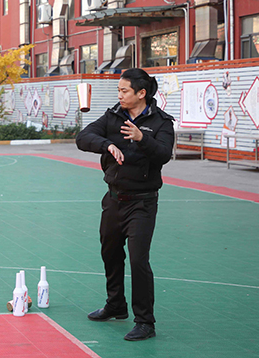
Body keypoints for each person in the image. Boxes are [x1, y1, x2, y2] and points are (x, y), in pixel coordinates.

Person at [75, 68, 174, 341]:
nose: (119, 95)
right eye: (118, 90)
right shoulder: (113, 116)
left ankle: (145, 321)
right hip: (114, 199)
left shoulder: (161, 122)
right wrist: (107, 145)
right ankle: (116, 304)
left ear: (141, 93)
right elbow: (83, 138)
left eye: (124, 90)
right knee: (110, 253)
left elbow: (164, 154)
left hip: (143, 202)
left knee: (138, 260)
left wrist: (142, 138)